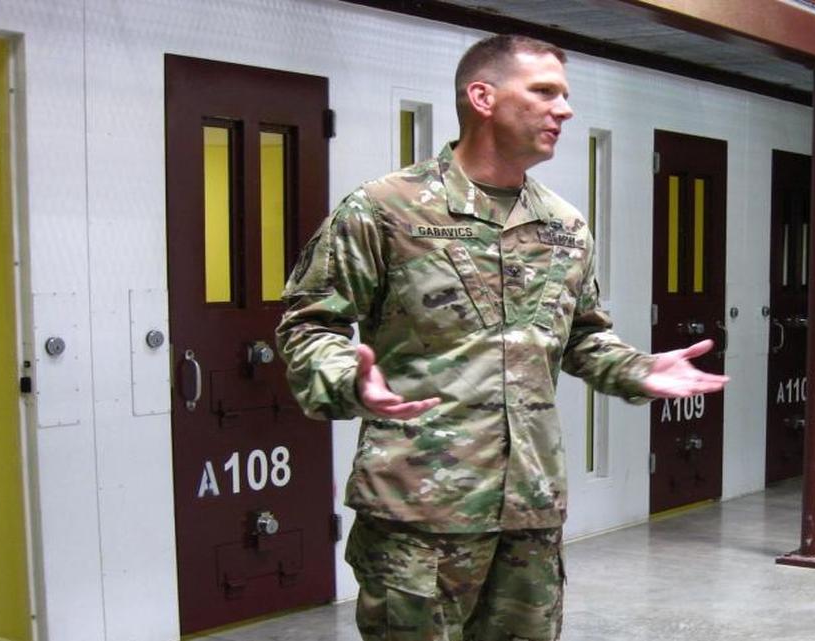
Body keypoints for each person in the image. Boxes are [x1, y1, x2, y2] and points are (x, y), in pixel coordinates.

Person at [276, 33, 728, 641]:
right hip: (420, 513)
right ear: (482, 96)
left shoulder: (563, 226)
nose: (563, 109)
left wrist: (636, 369)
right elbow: (311, 323)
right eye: (544, 92)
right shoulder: (388, 209)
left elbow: (582, 337)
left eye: (565, 95)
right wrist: (347, 378)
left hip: (529, 511)